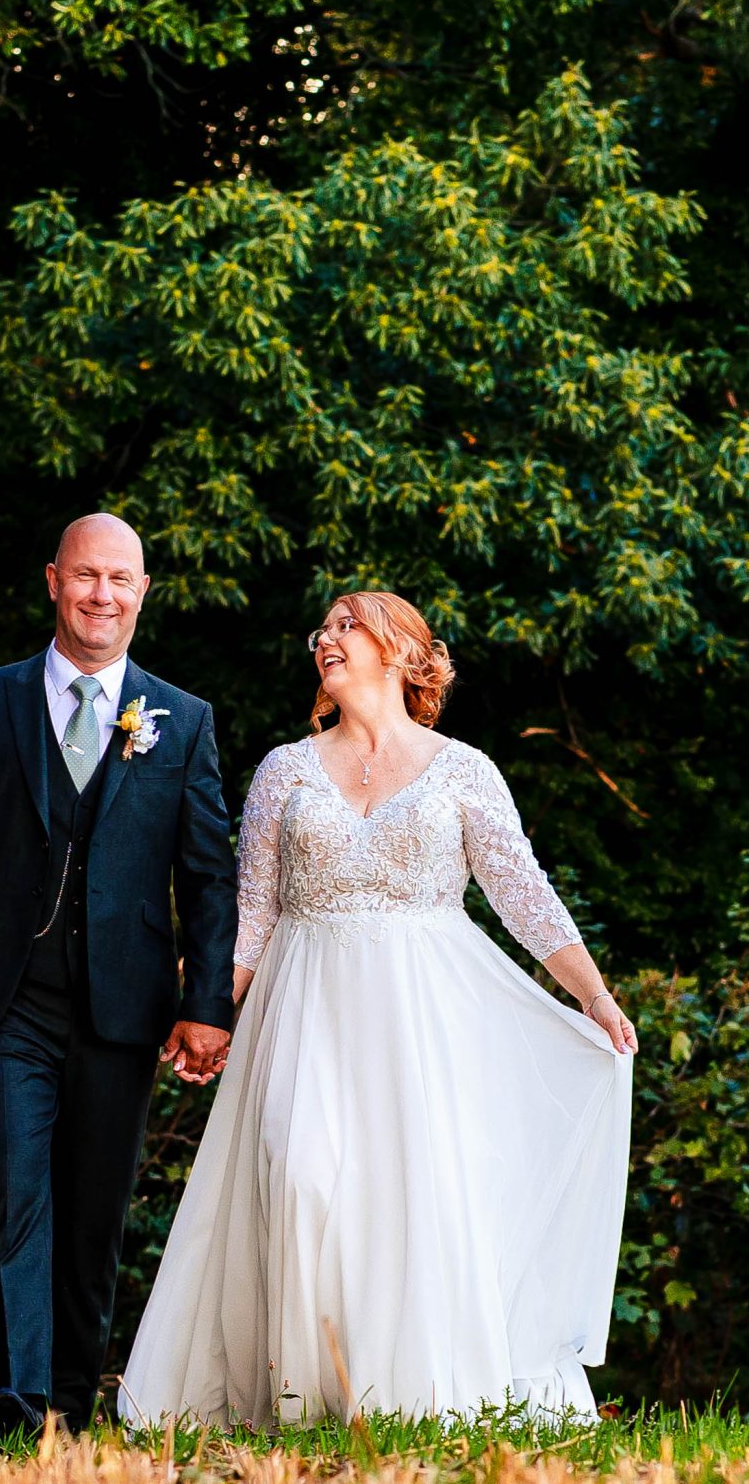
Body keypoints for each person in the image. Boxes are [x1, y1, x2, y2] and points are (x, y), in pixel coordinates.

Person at [118, 591, 636, 1429]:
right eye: (322, 627)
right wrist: (206, 1010)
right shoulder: (285, 770)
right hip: (308, 1007)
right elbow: (255, 911)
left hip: (422, 1018)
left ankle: (403, 1397)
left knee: (414, 1192)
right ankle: (306, 1389)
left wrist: (595, 994)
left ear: (402, 649)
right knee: (299, 1169)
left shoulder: (463, 768)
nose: (327, 638)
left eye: (347, 624)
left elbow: (522, 893)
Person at [0, 514, 239, 1434]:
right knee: (13, 1196)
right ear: (52, 581)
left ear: (143, 591)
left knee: (93, 1219)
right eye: (85, 576)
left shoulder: (182, 722)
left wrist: (205, 1008)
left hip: (123, 1009)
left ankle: (71, 1408)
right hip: (1, 1003)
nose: (101, 595)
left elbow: (208, 874)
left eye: (120, 579)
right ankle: (19, 1403)